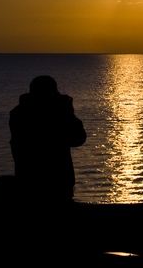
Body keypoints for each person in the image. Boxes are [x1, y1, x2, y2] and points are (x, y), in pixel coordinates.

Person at [9, 75, 87, 203]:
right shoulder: (58, 113)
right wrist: (68, 112)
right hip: (58, 182)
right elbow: (78, 138)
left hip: (27, 182)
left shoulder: (19, 113)